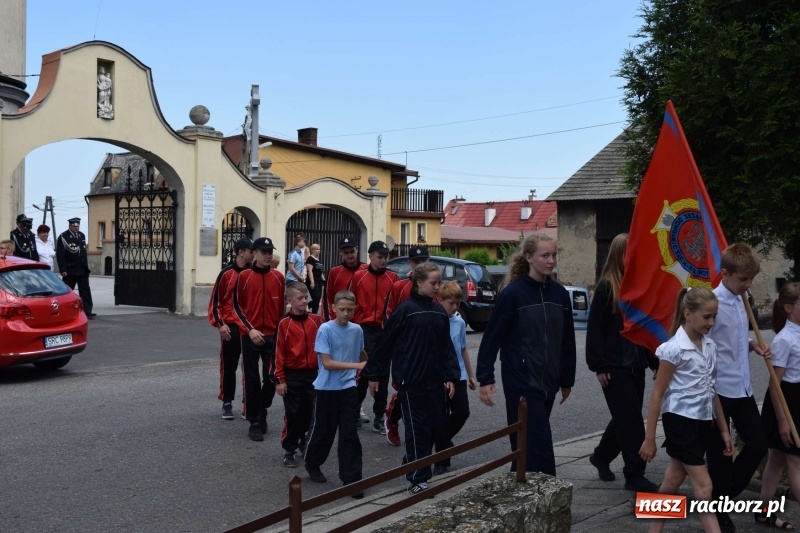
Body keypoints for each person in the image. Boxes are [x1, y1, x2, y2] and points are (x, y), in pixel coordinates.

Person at [476, 232, 576, 476]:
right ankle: (549, 491)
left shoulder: (560, 295)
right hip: (521, 380)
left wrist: (566, 379)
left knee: (526, 442)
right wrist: (485, 379)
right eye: (545, 256)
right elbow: (492, 338)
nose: (551, 260)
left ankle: (518, 482)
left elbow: (567, 340)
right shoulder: (512, 295)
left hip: (548, 380)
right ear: (529, 257)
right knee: (540, 441)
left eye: (554, 255)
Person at [640, 287, 734, 533]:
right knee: (704, 486)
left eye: (714, 317)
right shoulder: (673, 348)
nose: (711, 322)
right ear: (687, 314)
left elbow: (712, 390)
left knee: (672, 481)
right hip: (680, 421)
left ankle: (654, 530)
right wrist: (649, 438)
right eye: (706, 317)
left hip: (703, 422)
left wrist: (724, 429)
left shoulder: (710, 346)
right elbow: (657, 395)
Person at [363, 263, 460, 494]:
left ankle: (413, 461)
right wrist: (374, 374)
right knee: (417, 429)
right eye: (433, 283)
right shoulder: (405, 310)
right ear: (419, 283)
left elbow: (445, 347)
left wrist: (449, 375)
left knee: (436, 426)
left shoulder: (438, 311)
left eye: (438, 283)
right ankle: (418, 478)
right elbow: (385, 343)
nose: (437, 288)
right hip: (411, 381)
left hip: (435, 381)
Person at [586, 233, 659, 492]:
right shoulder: (607, 287)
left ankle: (601, 456)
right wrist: (600, 365)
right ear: (620, 255)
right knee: (631, 423)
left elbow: (644, 329)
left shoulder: (637, 288)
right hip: (615, 366)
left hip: (635, 364)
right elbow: (596, 330)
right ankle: (634, 475)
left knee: (625, 419)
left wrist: (654, 360)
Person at [706, 243, 770, 532]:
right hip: (718, 388)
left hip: (742, 387)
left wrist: (751, 344)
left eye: (750, 279)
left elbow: (732, 338)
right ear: (725, 274)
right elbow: (708, 341)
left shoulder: (744, 299)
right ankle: (719, 509)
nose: (748, 284)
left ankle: (722, 496)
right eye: (743, 279)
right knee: (721, 453)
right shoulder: (713, 303)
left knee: (757, 443)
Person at [304, 290, 368, 498]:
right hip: (325, 389)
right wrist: (357, 365)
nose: (346, 313)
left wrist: (369, 363)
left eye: (350, 309)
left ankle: (352, 480)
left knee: (349, 434)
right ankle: (312, 462)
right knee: (324, 431)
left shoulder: (357, 330)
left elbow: (361, 353)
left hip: (348, 388)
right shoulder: (325, 329)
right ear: (333, 308)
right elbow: (328, 363)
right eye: (342, 309)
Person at [756, 282, 800, 531]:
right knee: (796, 460)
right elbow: (775, 384)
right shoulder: (785, 339)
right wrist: (783, 420)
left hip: (797, 400)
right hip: (786, 403)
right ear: (789, 308)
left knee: (777, 460)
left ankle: (763, 512)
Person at [233, 237, 285, 441]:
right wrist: (250, 329)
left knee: (272, 377)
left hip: (272, 335)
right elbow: (236, 307)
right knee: (252, 379)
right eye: (264, 252)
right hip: (250, 336)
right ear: (254, 254)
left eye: (270, 252)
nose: (268, 255)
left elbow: (281, 308)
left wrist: (281, 333)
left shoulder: (279, 278)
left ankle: (262, 408)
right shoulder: (244, 276)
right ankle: (255, 420)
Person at [383, 245, 433, 446]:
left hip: (428, 347)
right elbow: (389, 317)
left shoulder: (434, 286)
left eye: (425, 261)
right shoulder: (399, 287)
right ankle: (392, 419)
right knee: (404, 389)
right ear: (410, 263)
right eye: (417, 262)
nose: (421, 265)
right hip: (405, 348)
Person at [349, 240, 399, 433]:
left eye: (386, 257)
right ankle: (354, 411)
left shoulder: (393, 278)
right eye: (379, 257)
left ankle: (380, 415)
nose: (383, 260)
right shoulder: (358, 277)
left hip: (385, 331)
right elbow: (351, 302)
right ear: (370, 256)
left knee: (382, 375)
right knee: (362, 374)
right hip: (363, 329)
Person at [276, 282, 323, 467]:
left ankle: (304, 440)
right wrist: (280, 380)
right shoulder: (284, 324)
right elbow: (278, 354)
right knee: (293, 412)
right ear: (289, 300)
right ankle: (289, 448)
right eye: (300, 298)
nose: (304, 302)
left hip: (312, 374)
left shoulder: (316, 320)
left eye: (306, 298)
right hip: (292, 375)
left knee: (308, 411)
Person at [433, 280, 477, 475]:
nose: (454, 307)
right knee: (440, 416)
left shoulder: (459, 321)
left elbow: (463, 349)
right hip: (439, 375)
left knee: (462, 411)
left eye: (457, 303)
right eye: (450, 303)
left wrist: (471, 375)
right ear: (440, 300)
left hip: (458, 373)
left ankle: (441, 441)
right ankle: (442, 461)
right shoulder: (434, 319)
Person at [208, 238, 253, 420]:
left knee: (249, 367)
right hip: (230, 326)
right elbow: (215, 302)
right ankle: (227, 401)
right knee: (229, 366)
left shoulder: (252, 273)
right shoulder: (226, 274)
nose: (253, 253)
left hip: (249, 327)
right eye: (251, 250)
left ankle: (247, 403)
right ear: (241, 252)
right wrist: (220, 324)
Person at [56, 217, 95, 319]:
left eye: (78, 226)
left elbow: (83, 253)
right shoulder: (63, 237)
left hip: (81, 268)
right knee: (68, 291)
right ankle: (65, 310)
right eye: (74, 226)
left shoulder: (81, 235)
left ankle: (87, 311)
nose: (76, 228)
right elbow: (60, 255)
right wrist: (62, 269)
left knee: (85, 290)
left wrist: (86, 267)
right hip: (70, 269)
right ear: (70, 226)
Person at [325, 237, 365, 321]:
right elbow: (328, 298)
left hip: (362, 321)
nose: (350, 255)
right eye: (346, 253)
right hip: (340, 320)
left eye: (352, 251)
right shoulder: (334, 272)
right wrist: (330, 319)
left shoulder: (366, 270)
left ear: (357, 249)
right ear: (340, 253)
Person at [305, 243, 326, 315]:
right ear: (312, 250)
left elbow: (320, 272)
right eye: (317, 249)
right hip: (313, 281)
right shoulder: (310, 259)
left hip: (319, 282)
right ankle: (306, 306)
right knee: (316, 298)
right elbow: (309, 271)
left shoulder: (318, 260)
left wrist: (324, 280)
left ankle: (314, 314)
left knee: (317, 300)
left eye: (319, 249)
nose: (318, 251)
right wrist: (312, 282)